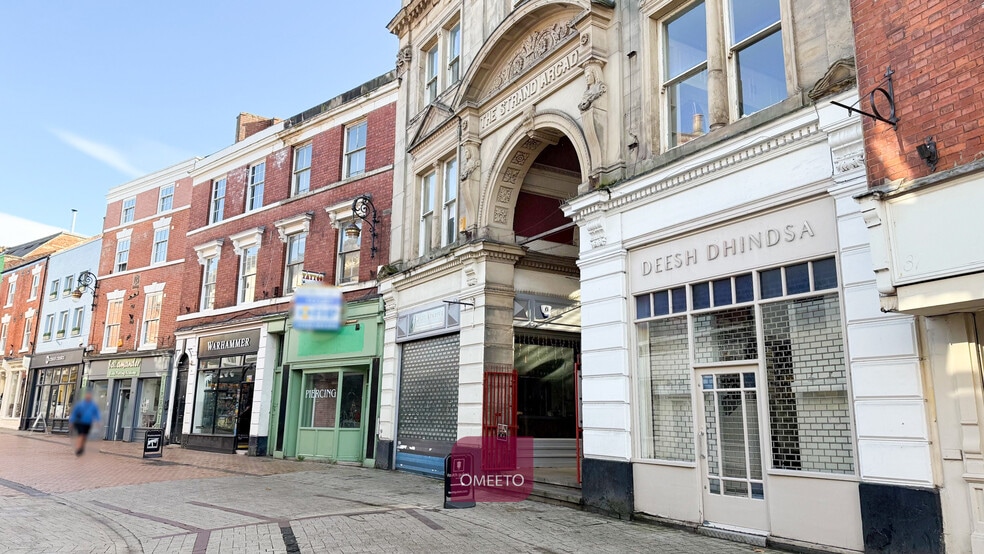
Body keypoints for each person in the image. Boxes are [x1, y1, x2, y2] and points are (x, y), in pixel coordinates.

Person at [68, 389, 100, 456]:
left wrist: (97, 421)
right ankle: (78, 448)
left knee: (84, 436)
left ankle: (81, 447)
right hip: (80, 422)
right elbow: (74, 413)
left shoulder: (93, 405)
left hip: (88, 423)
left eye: (90, 395)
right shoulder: (80, 404)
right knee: (81, 435)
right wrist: (71, 421)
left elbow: (96, 413)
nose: (88, 396)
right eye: (87, 395)